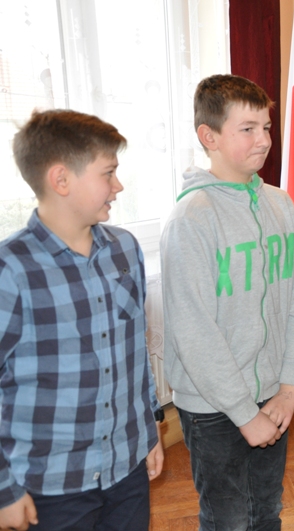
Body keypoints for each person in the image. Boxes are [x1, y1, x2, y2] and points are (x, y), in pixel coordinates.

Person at [160, 74, 294, 530]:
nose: (264, 140)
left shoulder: (280, 204)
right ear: (209, 137)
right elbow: (194, 331)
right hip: (213, 407)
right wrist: (245, 415)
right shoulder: (191, 219)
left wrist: (290, 387)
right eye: (247, 129)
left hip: (273, 395)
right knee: (228, 520)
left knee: (266, 511)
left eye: (266, 127)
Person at [0, 110, 164, 531]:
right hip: (52, 487)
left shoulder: (125, 249)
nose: (118, 185)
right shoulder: (11, 270)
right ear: (61, 180)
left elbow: (135, 349)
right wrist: (4, 490)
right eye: (108, 173)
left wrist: (149, 431)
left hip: (127, 469)